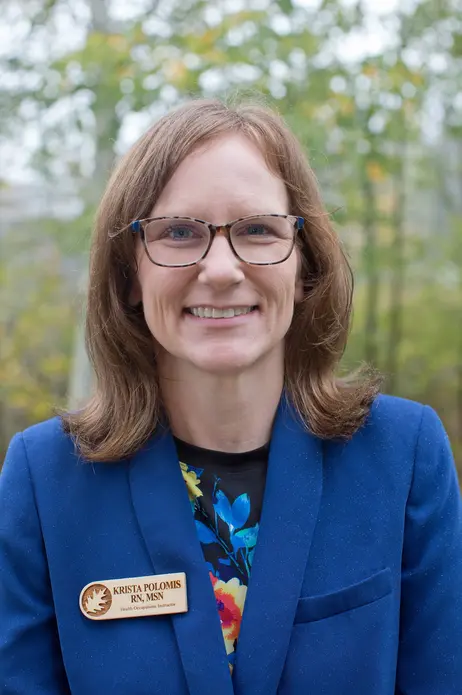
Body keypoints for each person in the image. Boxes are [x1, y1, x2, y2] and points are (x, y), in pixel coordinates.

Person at [1, 98, 461, 695]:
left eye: (257, 229)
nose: (220, 270)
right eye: (179, 232)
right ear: (130, 276)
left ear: (304, 268)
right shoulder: (43, 480)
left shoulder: (405, 457)